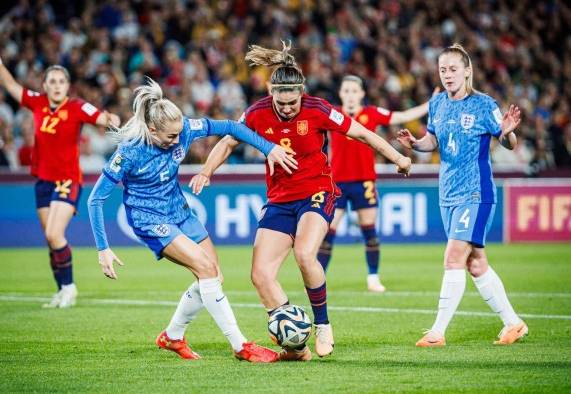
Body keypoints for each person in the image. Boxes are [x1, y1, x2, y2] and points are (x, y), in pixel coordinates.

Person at [190, 42, 411, 361]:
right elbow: (227, 141)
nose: (287, 109)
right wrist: (207, 171)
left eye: (292, 102)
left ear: (301, 93)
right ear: (272, 92)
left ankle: (322, 325)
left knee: (306, 253)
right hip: (279, 199)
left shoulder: (317, 108)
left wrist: (397, 158)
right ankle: (296, 346)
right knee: (261, 275)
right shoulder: (256, 112)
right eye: (281, 102)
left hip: (316, 191)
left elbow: (362, 133)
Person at [87, 77, 297, 362]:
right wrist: (103, 249)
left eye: (179, 134)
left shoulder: (184, 128)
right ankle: (241, 346)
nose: (178, 140)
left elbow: (233, 127)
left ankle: (172, 336)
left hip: (180, 211)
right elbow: (95, 198)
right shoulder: (129, 151)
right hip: (149, 219)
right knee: (206, 269)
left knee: (214, 276)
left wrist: (268, 147)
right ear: (151, 130)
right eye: (171, 137)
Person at [397, 43, 527, 347]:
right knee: (476, 263)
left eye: (453, 69)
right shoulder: (437, 104)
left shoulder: (484, 104)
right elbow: (433, 140)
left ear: (467, 71)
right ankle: (513, 323)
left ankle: (437, 332)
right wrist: (416, 143)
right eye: (443, 70)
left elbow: (509, 143)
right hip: (448, 193)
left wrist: (507, 131)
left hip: (475, 192)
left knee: (453, 258)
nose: (447, 75)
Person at [0, 56, 120, 308]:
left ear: (67, 86)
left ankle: (69, 288)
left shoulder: (76, 107)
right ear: (44, 85)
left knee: (55, 234)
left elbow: (101, 117)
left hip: (67, 179)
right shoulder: (37, 103)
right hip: (43, 180)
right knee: (50, 238)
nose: (56, 86)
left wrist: (111, 119)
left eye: (61, 81)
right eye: (52, 81)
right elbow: (10, 85)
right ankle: (61, 288)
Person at [318, 75, 435, 293]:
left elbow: (402, 115)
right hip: (336, 183)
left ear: (362, 94)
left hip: (364, 182)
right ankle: (318, 278)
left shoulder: (371, 113)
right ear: (341, 94)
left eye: (355, 91)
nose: (351, 95)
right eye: (347, 91)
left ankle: (373, 278)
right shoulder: (333, 114)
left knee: (369, 231)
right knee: (327, 233)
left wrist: (429, 105)